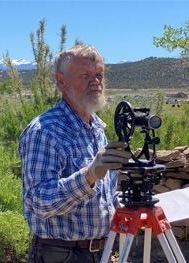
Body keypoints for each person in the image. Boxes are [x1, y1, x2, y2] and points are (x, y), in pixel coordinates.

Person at [18, 44, 132, 263]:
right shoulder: (45, 131)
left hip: (102, 251)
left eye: (99, 75)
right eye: (86, 75)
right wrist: (88, 175)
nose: (96, 82)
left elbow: (102, 197)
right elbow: (39, 201)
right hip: (62, 254)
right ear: (61, 81)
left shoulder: (97, 130)